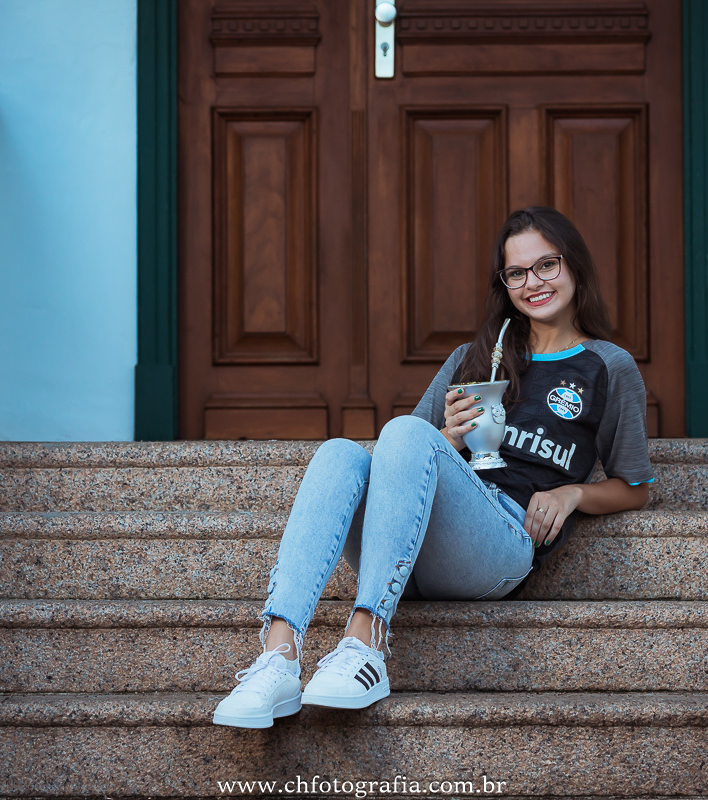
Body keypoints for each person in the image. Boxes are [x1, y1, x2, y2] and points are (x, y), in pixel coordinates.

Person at [212, 206, 656, 729]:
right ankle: (278, 658)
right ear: (503, 283)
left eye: (546, 265)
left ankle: (367, 641)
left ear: (575, 265)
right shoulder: (476, 357)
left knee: (404, 432)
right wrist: (450, 436)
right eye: (516, 273)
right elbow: (398, 458)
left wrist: (572, 495)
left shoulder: (608, 366)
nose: (532, 283)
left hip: (499, 542)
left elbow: (636, 487)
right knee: (340, 453)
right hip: (407, 544)